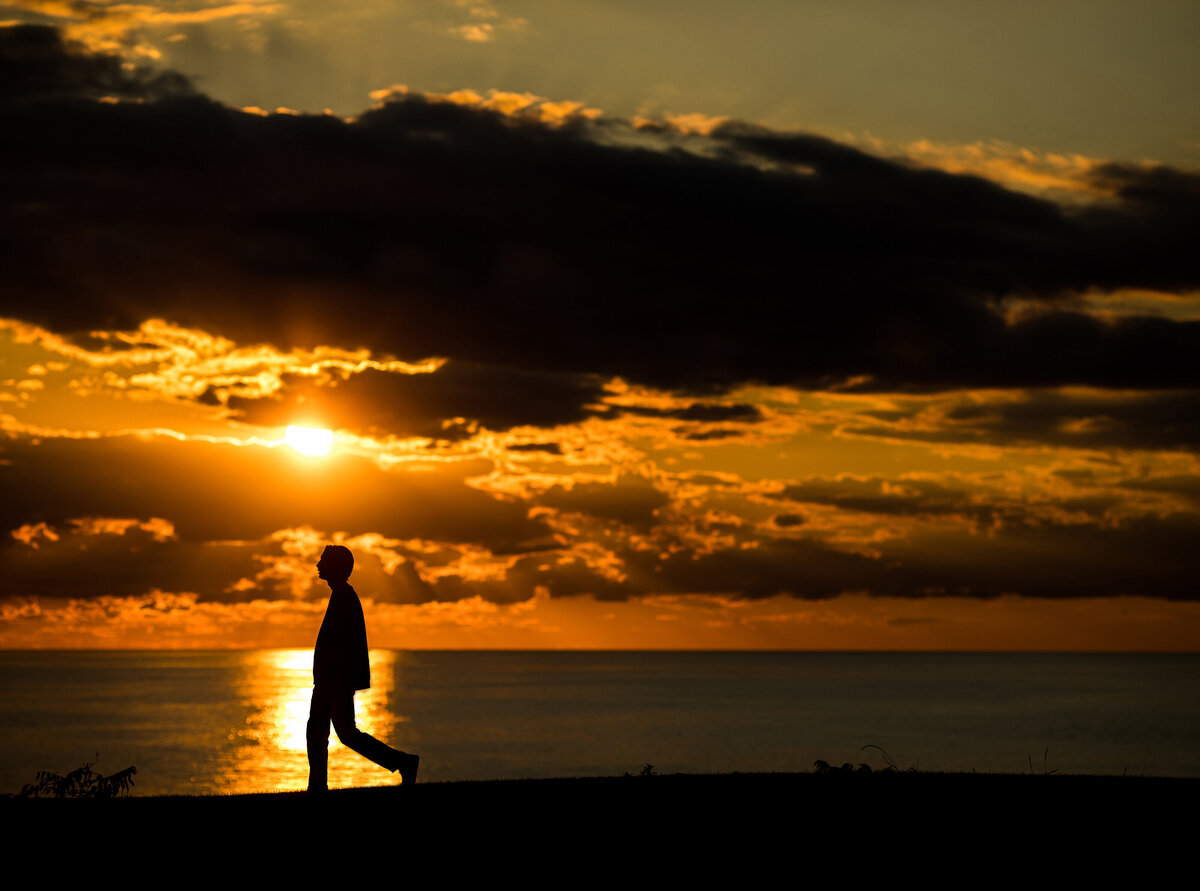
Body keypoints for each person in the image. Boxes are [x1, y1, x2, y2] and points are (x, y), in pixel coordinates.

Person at [307, 544, 419, 794]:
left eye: (324, 560)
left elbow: (344, 645)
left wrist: (335, 682)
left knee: (337, 733)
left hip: (335, 680)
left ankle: (404, 762)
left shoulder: (344, 596)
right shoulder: (341, 595)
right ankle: (317, 787)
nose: (318, 564)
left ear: (336, 567)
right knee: (325, 733)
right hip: (332, 680)